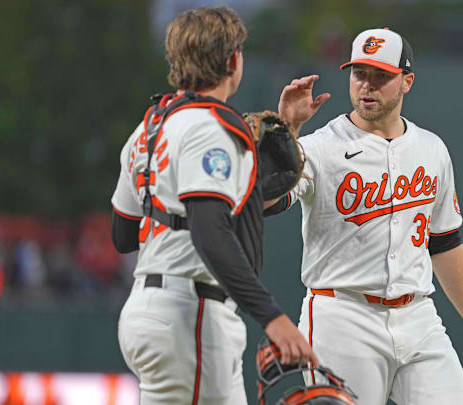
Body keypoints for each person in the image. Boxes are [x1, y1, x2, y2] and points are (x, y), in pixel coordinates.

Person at [266, 28, 463, 404]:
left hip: (418, 317)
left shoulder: (431, 149)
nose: (368, 85)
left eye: (381, 76)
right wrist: (287, 133)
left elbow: (444, 243)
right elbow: (268, 202)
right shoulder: (319, 148)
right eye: (359, 73)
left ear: (406, 82)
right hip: (342, 316)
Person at [110, 7, 317, 404]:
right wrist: (273, 318)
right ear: (232, 61)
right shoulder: (213, 128)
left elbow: (122, 234)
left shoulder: (150, 128)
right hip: (192, 312)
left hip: (146, 311)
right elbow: (209, 230)